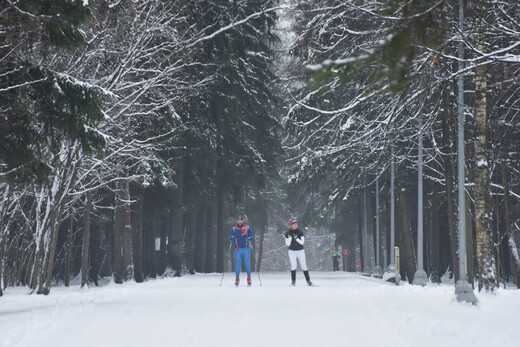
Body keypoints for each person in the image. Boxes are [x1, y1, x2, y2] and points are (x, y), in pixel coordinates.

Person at [284, 219, 312, 286]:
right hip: (291, 251)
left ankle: (308, 280)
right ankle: (293, 281)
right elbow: (287, 244)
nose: (295, 225)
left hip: (300, 250)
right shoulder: (287, 233)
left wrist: (296, 238)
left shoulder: (300, 232)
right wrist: (290, 238)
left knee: (303, 265)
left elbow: (302, 242)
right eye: (294, 224)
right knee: (293, 265)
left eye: (296, 224)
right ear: (291, 225)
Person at [229, 216, 254, 286]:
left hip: (246, 248)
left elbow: (251, 234)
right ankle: (237, 278)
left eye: (241, 220)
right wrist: (231, 237)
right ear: (237, 221)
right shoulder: (234, 228)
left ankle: (249, 278)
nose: (240, 221)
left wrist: (251, 237)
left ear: (243, 221)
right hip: (238, 248)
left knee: (247, 263)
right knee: (238, 263)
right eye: (238, 220)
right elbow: (230, 235)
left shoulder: (247, 227)